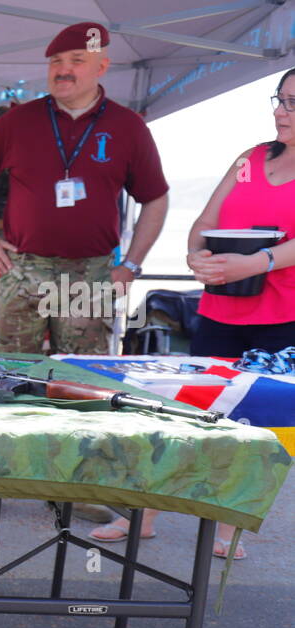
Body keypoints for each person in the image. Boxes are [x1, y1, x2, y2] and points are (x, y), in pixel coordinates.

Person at [0, 21, 171, 524]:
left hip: (91, 274)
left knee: (84, 382)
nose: (63, 71)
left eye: (75, 61)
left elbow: (156, 197)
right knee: (5, 378)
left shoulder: (127, 126)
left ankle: (82, 487)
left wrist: (132, 263)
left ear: (101, 67)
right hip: (23, 268)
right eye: (56, 62)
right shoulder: (20, 121)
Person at [92, 68, 295, 558]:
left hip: (282, 317)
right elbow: (205, 222)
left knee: (257, 428)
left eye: (292, 104)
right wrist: (194, 256)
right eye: (280, 99)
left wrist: (259, 261)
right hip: (220, 310)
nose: (279, 111)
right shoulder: (249, 158)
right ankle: (142, 514)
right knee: (185, 414)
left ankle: (228, 528)